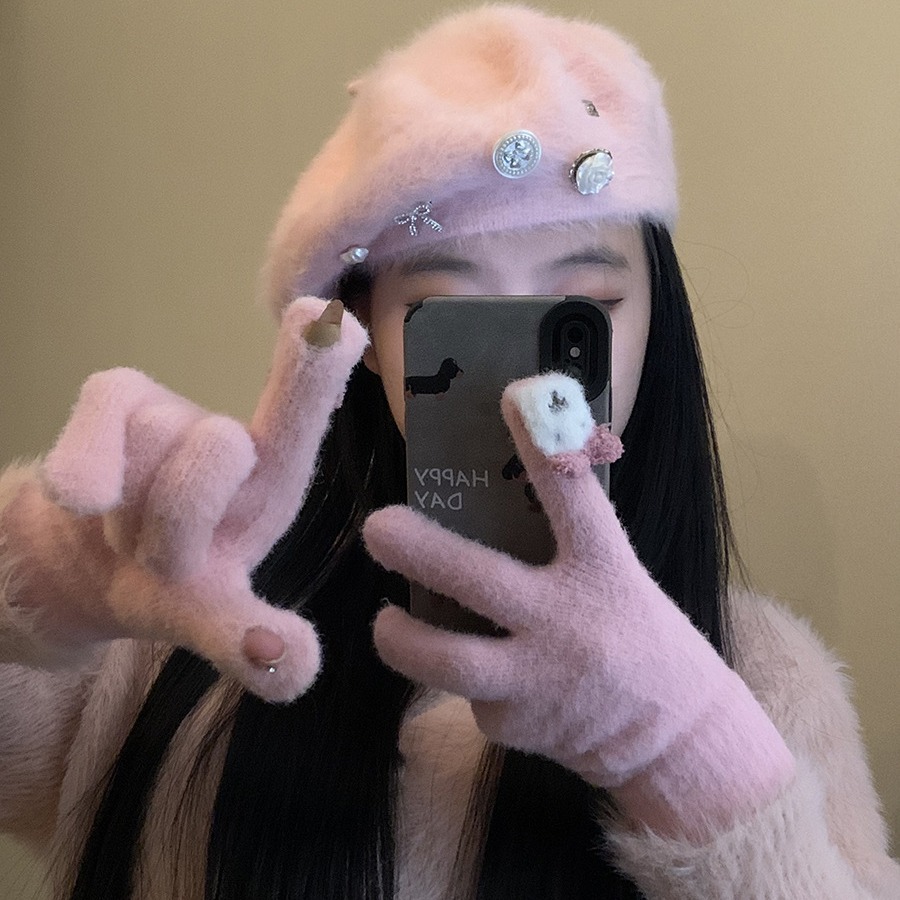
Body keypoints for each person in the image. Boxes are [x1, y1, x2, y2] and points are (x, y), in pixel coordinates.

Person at [0, 5, 897, 898]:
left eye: (582, 312)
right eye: (446, 315)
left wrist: (689, 752)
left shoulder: (762, 681)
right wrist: (43, 576)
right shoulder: (192, 623)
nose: (520, 387)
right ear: (365, 334)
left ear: (655, 328)